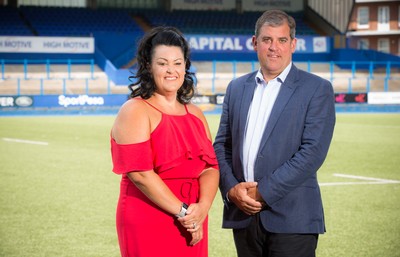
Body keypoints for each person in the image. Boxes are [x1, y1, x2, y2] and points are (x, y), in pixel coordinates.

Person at [213, 9, 336, 257]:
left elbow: (312, 153)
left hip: (293, 218)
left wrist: (262, 192)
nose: (274, 48)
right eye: (267, 40)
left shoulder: (317, 88)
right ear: (255, 42)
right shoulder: (236, 88)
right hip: (244, 216)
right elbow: (222, 146)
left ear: (293, 44)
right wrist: (231, 189)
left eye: (281, 40)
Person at [110, 26, 220, 257]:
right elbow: (140, 174)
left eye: (178, 63)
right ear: (149, 66)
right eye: (162, 63)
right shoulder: (135, 110)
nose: (171, 70)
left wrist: (203, 208)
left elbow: (210, 167)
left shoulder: (196, 113)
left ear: (185, 67)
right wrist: (184, 213)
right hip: (149, 215)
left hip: (194, 218)